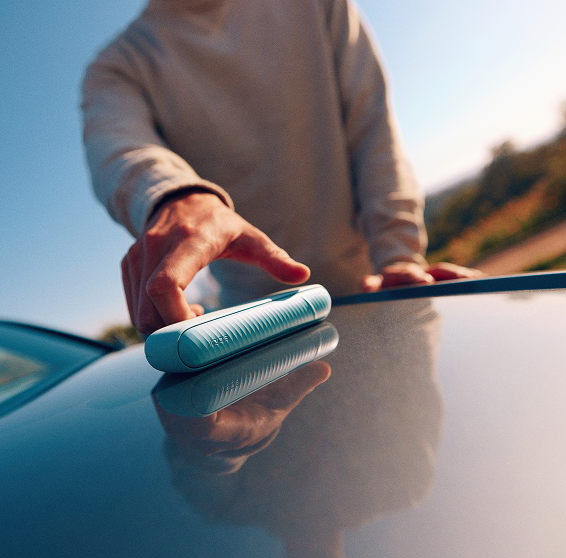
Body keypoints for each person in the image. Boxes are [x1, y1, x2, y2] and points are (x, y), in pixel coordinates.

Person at [82, 0, 479, 335]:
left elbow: (372, 126)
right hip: (260, 333)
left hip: (379, 292)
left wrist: (399, 257)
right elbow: (116, 147)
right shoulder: (118, 66)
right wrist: (176, 196)